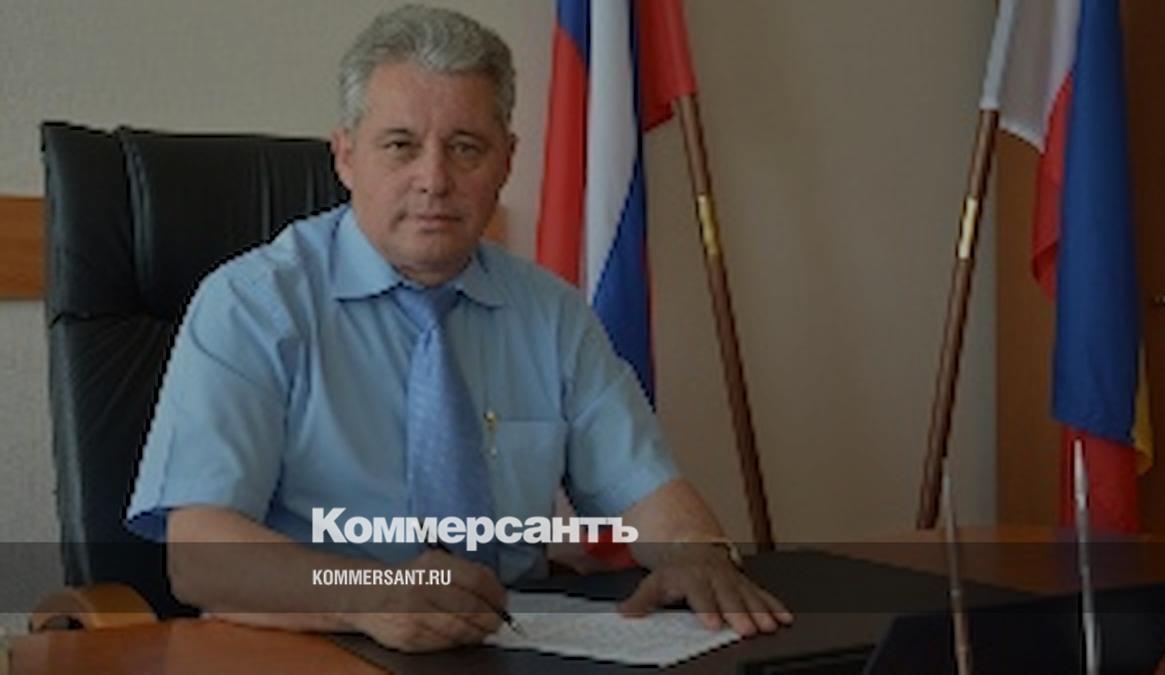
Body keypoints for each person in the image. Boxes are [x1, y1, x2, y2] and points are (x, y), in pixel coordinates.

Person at [125, 4, 792, 652]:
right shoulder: (253, 304)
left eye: (466, 148)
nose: (434, 179)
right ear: (346, 156)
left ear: (507, 161)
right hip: (315, 644)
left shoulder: (551, 313)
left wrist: (697, 554)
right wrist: (370, 595)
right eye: (400, 146)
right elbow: (199, 554)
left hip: (506, 641)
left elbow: (646, 487)